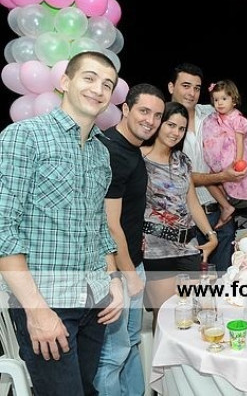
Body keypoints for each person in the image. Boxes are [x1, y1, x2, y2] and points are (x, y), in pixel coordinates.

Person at [0, 51, 123, 396]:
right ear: (65, 82)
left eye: (107, 84)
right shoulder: (24, 137)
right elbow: (3, 229)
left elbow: (98, 225)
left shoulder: (101, 153)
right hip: (46, 301)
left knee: (86, 389)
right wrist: (37, 311)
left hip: (93, 300)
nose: (98, 89)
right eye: (89, 78)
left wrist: (113, 280)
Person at [93, 83, 165, 395]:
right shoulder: (111, 151)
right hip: (116, 271)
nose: (151, 120)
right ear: (126, 109)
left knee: (132, 343)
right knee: (112, 356)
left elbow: (129, 214)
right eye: (144, 111)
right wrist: (128, 273)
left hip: (133, 262)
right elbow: (109, 225)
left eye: (157, 115)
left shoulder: (131, 148)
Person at [141, 101, 218, 329]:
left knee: (191, 313)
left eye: (181, 128)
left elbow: (191, 201)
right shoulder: (140, 159)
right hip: (156, 249)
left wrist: (211, 235)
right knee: (165, 318)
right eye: (170, 125)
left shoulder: (182, 160)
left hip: (188, 247)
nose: (175, 132)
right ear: (159, 123)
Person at [168, 63, 245, 274]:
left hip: (219, 215)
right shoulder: (163, 123)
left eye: (196, 88)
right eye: (185, 86)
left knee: (225, 279)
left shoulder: (212, 113)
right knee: (189, 284)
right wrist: (221, 176)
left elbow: (238, 132)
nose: (191, 93)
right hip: (183, 217)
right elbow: (178, 176)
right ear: (171, 87)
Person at [202, 79, 247, 226]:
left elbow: (239, 141)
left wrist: (238, 161)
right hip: (222, 153)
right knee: (213, 178)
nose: (220, 103)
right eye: (216, 99)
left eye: (224, 99)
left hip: (234, 153)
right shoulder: (214, 117)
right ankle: (226, 205)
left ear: (234, 100)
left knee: (221, 179)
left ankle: (229, 206)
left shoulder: (237, 118)